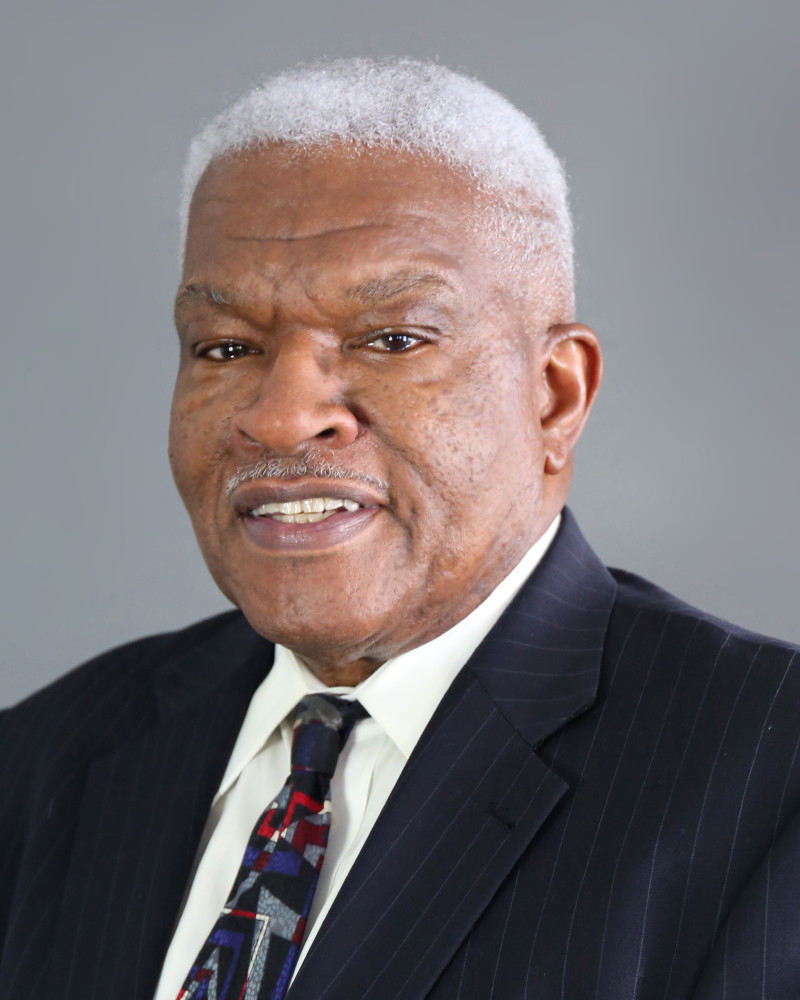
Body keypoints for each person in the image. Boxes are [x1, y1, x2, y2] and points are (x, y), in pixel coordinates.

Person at [1, 57, 798, 1000]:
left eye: (392, 339)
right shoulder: (45, 761)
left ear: (554, 397)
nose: (281, 417)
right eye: (227, 347)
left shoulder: (769, 776)